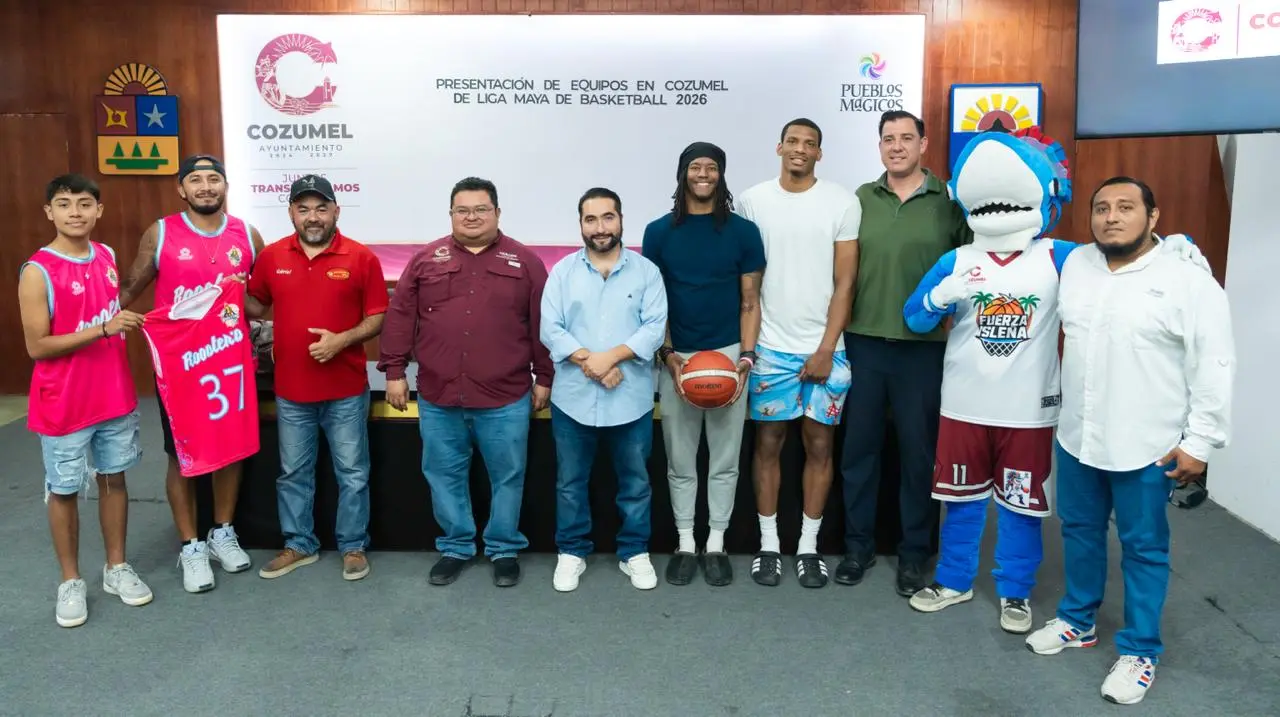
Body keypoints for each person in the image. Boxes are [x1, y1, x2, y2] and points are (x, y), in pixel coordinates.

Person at [1025, 177, 1234, 706]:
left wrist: (1200, 443)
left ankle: (1141, 650)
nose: (1111, 217)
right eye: (1100, 208)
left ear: (1155, 217)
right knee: (1079, 530)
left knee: (1143, 548)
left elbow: (1215, 362)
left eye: (1125, 207)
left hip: (1148, 444)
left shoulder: (1187, 280)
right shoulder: (1076, 267)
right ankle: (1077, 620)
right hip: (1078, 437)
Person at [378, 177, 552, 588]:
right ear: (451, 214)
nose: (471, 217)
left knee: (507, 476)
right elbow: (401, 317)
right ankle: (455, 545)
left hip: (505, 396)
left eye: (480, 209)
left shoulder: (525, 262)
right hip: (440, 396)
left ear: (497, 213)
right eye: (463, 210)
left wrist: (545, 377)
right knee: (443, 475)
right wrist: (394, 372)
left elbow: (543, 326)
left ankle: (503, 548)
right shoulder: (425, 259)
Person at [837, 110, 972, 597]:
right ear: (879, 147)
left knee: (918, 456)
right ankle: (857, 546)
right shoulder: (859, 200)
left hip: (924, 351)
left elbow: (973, 266)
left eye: (906, 138)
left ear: (923, 143)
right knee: (859, 452)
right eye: (888, 139)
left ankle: (914, 553)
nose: (897, 146)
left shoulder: (947, 203)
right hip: (864, 343)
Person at [117, 154, 263, 593]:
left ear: (225, 186)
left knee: (231, 448)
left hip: (229, 361)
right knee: (181, 455)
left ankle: (222, 531)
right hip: (180, 368)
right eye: (195, 180)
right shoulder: (161, 233)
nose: (205, 187)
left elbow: (258, 304)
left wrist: (244, 293)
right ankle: (190, 545)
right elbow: (126, 292)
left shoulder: (247, 235)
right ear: (181, 189)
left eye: (213, 179)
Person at [19, 174, 153, 627]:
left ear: (99, 210)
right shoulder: (37, 270)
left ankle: (116, 567)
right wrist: (102, 329)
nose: (74, 212)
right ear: (49, 213)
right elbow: (37, 346)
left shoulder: (108, 256)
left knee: (114, 480)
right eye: (63, 204)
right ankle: (70, 580)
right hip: (64, 404)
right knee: (63, 491)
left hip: (112, 395)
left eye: (83, 203)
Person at [736, 118, 860, 588]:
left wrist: (827, 347)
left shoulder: (841, 202)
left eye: (810, 144)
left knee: (820, 445)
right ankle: (769, 545)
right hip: (770, 349)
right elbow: (747, 280)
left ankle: (808, 547)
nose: (800, 150)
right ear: (779, 147)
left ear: (819, 154)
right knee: (767, 444)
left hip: (827, 349)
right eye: (793, 141)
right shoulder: (752, 201)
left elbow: (846, 281)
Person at [245, 175, 387, 582]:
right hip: (292, 391)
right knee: (293, 473)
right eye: (303, 208)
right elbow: (256, 305)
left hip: (345, 390)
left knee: (353, 472)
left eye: (321, 208)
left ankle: (353, 546)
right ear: (291, 212)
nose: (312, 216)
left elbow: (378, 316)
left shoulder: (361, 258)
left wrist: (341, 340)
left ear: (336, 212)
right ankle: (299, 544)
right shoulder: (272, 256)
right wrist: (231, 287)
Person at [642, 142, 765, 587]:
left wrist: (746, 358)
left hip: (729, 356)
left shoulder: (743, 232)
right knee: (680, 459)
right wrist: (669, 355)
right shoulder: (658, 232)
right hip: (678, 358)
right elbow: (654, 305)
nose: (703, 174)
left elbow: (750, 301)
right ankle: (684, 542)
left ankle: (716, 542)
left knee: (725, 458)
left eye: (711, 168)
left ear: (721, 175)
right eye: (695, 167)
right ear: (682, 174)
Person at [541, 188, 668, 592]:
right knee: (570, 482)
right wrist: (591, 364)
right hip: (573, 399)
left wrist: (608, 358)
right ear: (580, 224)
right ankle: (572, 551)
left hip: (630, 399)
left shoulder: (647, 272)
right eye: (591, 219)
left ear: (621, 220)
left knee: (635, 482)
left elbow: (653, 329)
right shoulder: (562, 272)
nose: (600, 227)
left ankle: (634, 552)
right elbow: (551, 329)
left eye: (608, 217)